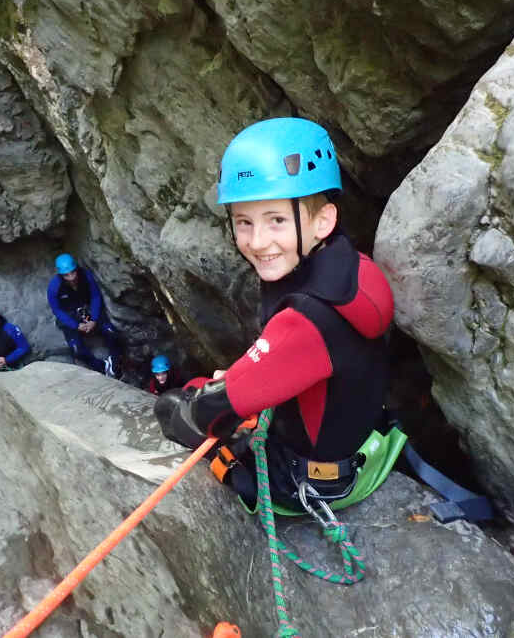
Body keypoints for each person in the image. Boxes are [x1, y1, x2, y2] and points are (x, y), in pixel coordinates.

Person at [154, 116, 401, 515]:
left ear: (324, 220)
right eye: (243, 222)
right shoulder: (350, 268)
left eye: (277, 221)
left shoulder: (306, 317)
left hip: (310, 482)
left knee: (183, 409)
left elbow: (208, 413)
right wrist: (251, 375)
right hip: (362, 444)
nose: (257, 242)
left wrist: (198, 400)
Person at [47, 253, 122, 378]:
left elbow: (95, 296)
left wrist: (94, 319)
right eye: (66, 275)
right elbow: (57, 310)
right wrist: (76, 325)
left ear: (76, 269)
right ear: (61, 275)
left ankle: (114, 363)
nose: (71, 277)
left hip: (87, 309)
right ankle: (102, 367)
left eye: (72, 273)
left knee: (111, 332)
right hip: (70, 315)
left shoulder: (85, 276)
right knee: (77, 349)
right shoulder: (54, 287)